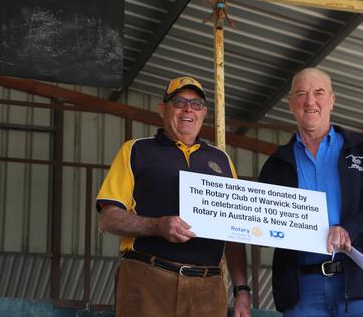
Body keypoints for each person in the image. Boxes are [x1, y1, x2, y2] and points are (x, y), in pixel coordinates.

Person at [96, 76, 251, 317]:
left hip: (207, 287)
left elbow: (233, 232)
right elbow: (108, 219)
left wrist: (242, 289)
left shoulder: (222, 161)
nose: (188, 108)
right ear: (162, 109)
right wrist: (158, 225)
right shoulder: (136, 150)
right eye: (179, 101)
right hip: (147, 280)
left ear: (204, 113)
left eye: (196, 104)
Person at [258, 68, 363, 317]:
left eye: (319, 93)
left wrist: (351, 229)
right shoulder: (276, 164)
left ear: (332, 100)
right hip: (304, 290)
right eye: (302, 94)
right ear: (291, 103)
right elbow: (261, 220)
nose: (310, 101)